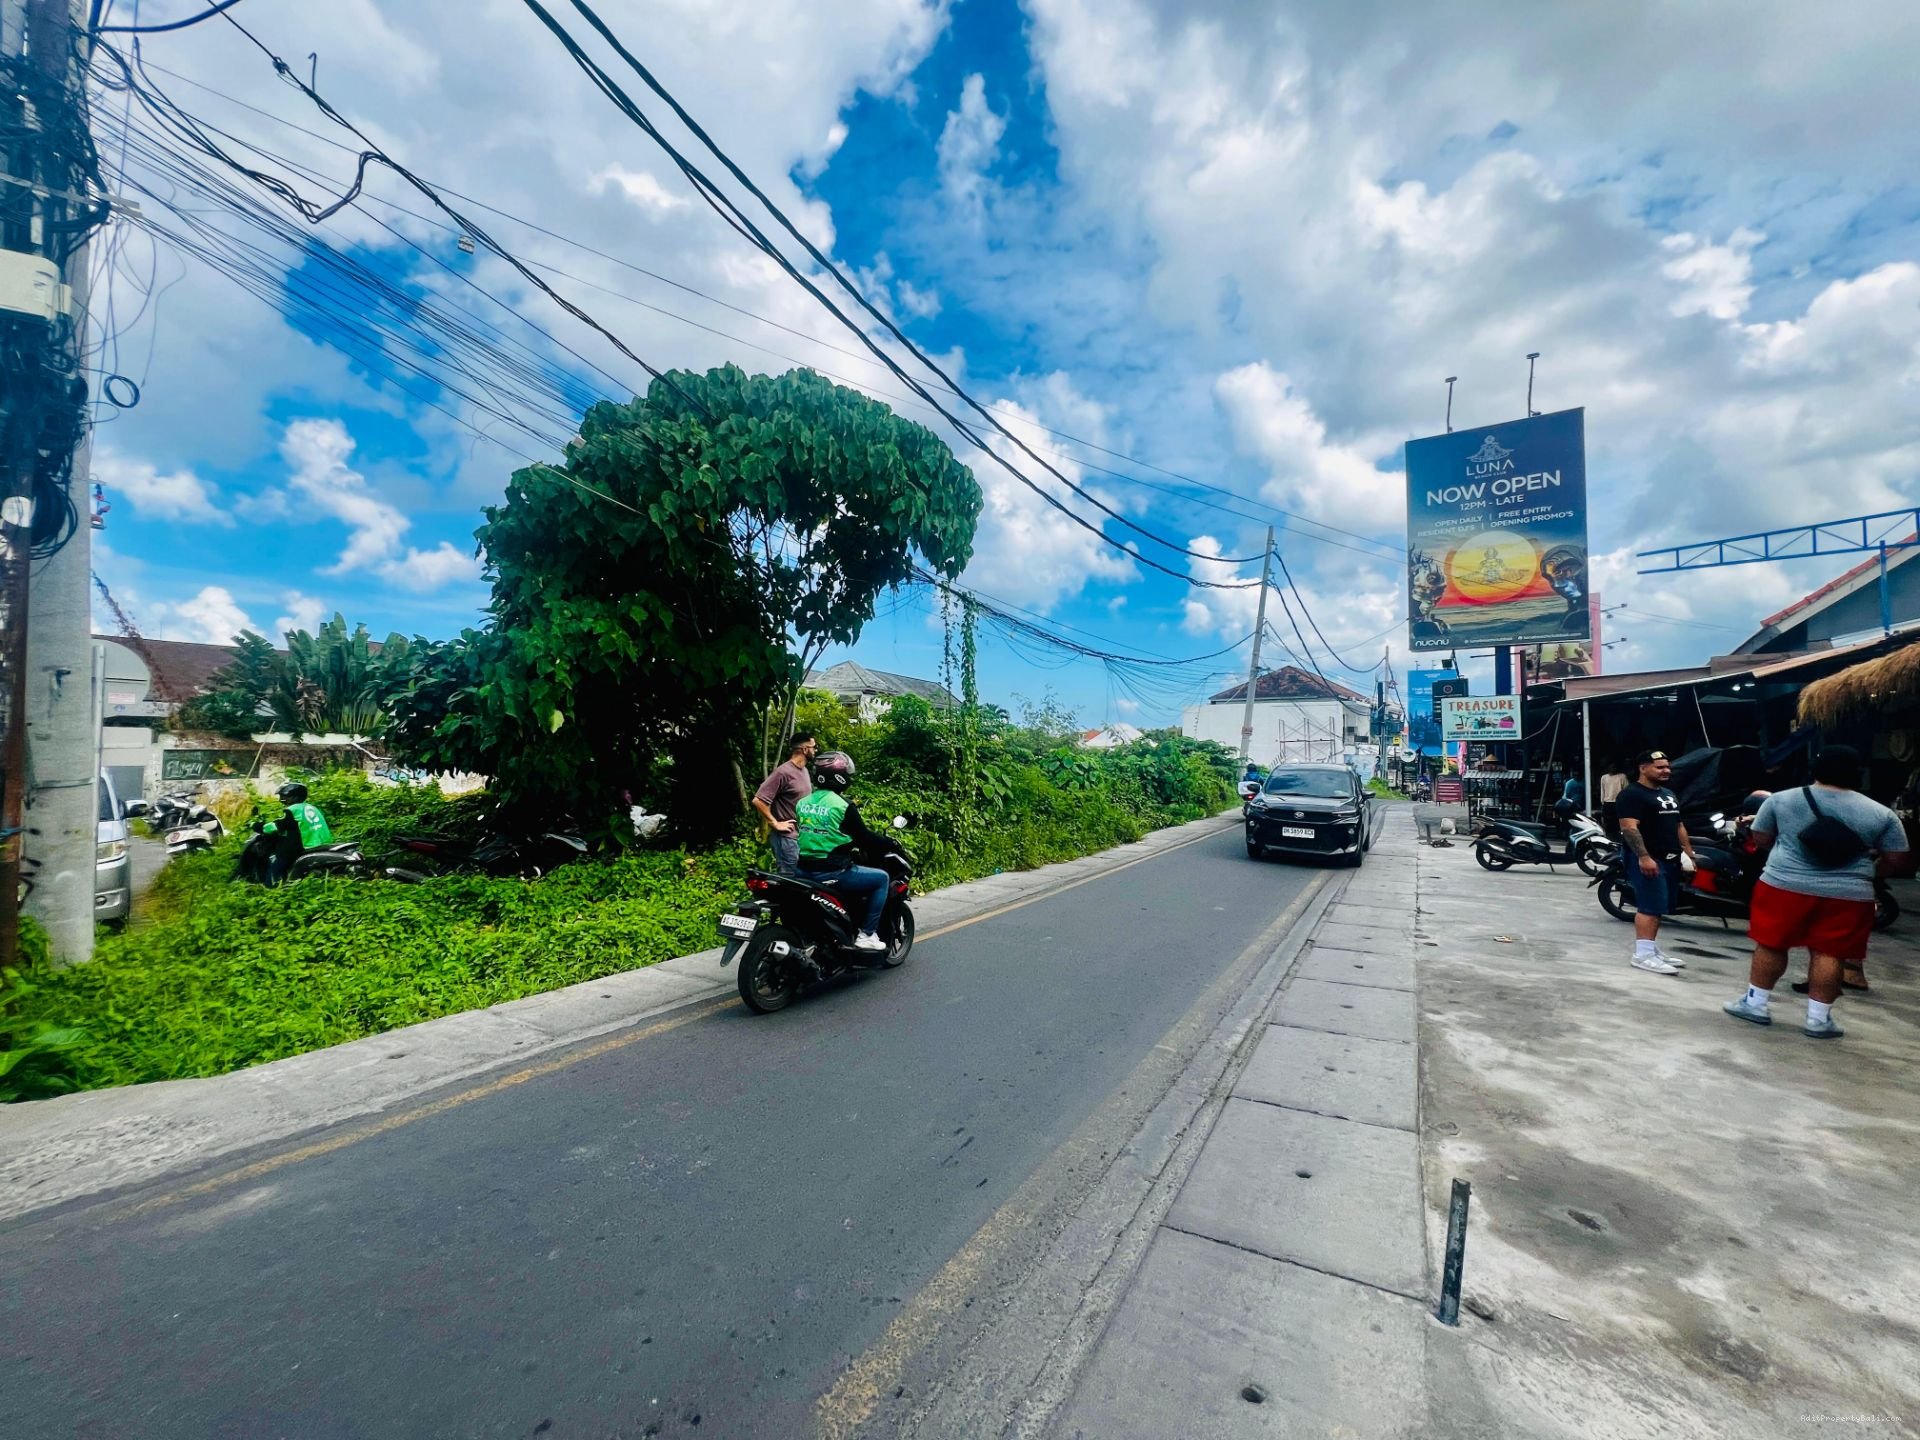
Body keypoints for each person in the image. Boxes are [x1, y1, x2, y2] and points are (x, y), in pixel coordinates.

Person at [1723, 746, 1908, 1040]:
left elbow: (1761, 837)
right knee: (1830, 952)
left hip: (1784, 885)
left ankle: (1755, 1004)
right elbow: (1897, 858)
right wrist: (1870, 873)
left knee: (1772, 944)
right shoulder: (1880, 813)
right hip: (1849, 893)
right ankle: (1818, 1020)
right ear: (1856, 774)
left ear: (1815, 769)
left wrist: (1786, 857)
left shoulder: (1781, 799)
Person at [793, 750, 890, 953]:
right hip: (831, 872)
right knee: (881, 879)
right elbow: (864, 838)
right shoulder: (843, 805)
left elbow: (816, 832)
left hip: (802, 871)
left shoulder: (803, 803)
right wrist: (886, 843)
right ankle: (867, 935)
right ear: (839, 776)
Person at [1615, 749, 1696, 976]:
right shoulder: (1631, 795)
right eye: (1660, 767)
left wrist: (1688, 853)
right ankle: (1642, 955)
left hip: (1670, 858)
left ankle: (1650, 948)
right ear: (1643, 768)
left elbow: (1678, 825)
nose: (1666, 771)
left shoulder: (1668, 793)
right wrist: (1644, 857)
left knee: (1660, 906)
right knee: (1649, 906)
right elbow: (1629, 828)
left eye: (1667, 767)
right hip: (1648, 858)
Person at [753, 732, 817, 876]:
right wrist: (775, 823)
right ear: (805, 749)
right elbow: (758, 800)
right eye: (813, 747)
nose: (815, 750)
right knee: (789, 882)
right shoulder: (783, 772)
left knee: (801, 882)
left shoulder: (804, 771)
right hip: (786, 839)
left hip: (800, 838)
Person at [262, 781, 332, 885]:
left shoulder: (293, 809)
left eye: (285, 796)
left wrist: (260, 827)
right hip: (322, 842)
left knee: (278, 863)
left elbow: (278, 825)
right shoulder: (311, 807)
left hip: (307, 844)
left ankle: (270, 886)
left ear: (295, 797)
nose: (282, 799)